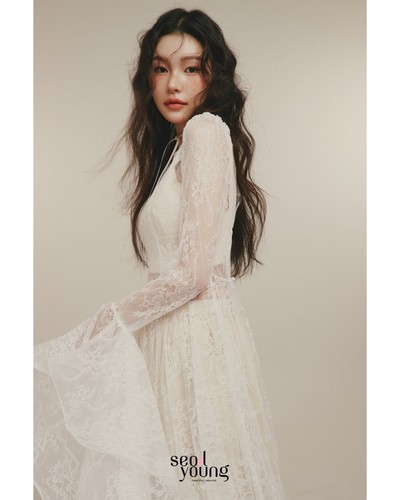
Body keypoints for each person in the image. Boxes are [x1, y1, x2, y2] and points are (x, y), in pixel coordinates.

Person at [34, 8, 285, 500]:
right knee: (179, 477)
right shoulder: (176, 148)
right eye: (161, 68)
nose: (173, 83)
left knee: (195, 477)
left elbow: (193, 276)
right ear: (147, 78)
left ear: (213, 77)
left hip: (193, 340)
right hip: (170, 337)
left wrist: (107, 320)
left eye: (191, 68)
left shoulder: (205, 132)